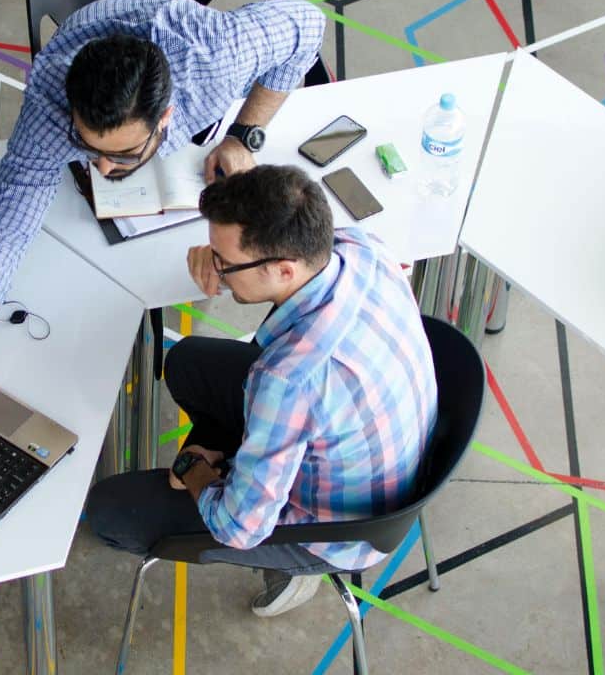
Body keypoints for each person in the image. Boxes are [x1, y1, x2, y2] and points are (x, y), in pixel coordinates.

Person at [0, 0, 326, 418]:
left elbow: (309, 25)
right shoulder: (49, 105)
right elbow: (5, 236)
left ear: (166, 118)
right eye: (88, 148)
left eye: (122, 155)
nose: (102, 169)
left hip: (183, 43)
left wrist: (244, 133)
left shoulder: (216, 58)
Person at [83, 165, 439, 617]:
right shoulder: (359, 248)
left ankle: (291, 569)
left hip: (335, 530)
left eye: (224, 263)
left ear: (283, 269)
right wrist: (215, 254)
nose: (217, 269)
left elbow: (238, 527)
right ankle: (240, 462)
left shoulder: (288, 379)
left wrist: (195, 469)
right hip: (379, 451)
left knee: (110, 510)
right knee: (188, 362)